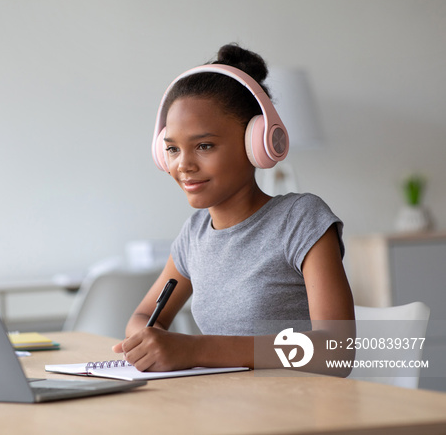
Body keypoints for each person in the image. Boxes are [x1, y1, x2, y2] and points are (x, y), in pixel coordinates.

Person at [112, 44, 355, 375]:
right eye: (171, 148)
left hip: (295, 413)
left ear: (257, 143)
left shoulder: (300, 219)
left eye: (204, 146)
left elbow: (335, 351)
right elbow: (141, 318)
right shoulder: (195, 233)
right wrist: (147, 341)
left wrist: (196, 348)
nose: (183, 165)